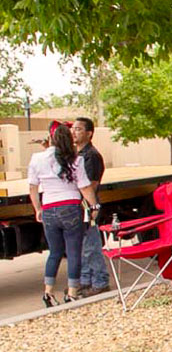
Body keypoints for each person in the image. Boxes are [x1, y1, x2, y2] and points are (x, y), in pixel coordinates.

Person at [28, 123, 101, 307]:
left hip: (49, 208)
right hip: (70, 208)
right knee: (74, 252)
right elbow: (84, 187)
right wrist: (94, 206)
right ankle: (72, 292)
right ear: (68, 140)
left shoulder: (37, 158)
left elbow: (33, 186)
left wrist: (38, 209)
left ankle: (48, 292)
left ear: (50, 138)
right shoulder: (75, 160)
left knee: (54, 253)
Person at [72, 117, 110, 296]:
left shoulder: (91, 156)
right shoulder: (76, 154)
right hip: (77, 206)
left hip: (87, 206)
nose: (74, 132)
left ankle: (100, 281)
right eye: (73, 128)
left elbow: (91, 185)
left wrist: (90, 207)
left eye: (78, 129)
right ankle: (85, 281)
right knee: (81, 247)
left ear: (89, 133)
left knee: (91, 246)